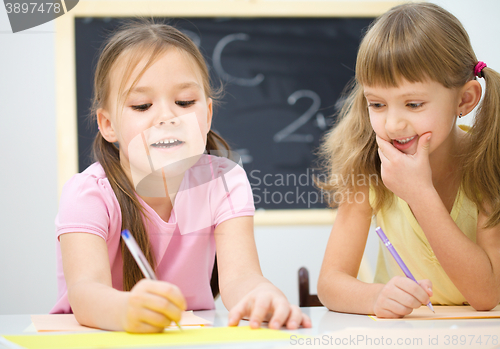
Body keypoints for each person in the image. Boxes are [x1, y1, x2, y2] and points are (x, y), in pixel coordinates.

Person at [51, 20, 311, 332]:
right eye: (142, 105)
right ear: (107, 125)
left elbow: (242, 278)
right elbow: (84, 293)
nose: (168, 117)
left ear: (208, 114)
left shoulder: (225, 180)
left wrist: (264, 298)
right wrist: (127, 309)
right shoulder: (87, 195)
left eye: (185, 102)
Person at [316, 2, 500, 318]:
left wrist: (419, 193)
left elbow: (487, 294)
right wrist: (374, 298)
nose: (393, 125)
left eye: (413, 104)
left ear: (465, 99)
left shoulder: (488, 163)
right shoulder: (369, 167)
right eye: (377, 104)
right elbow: (330, 283)